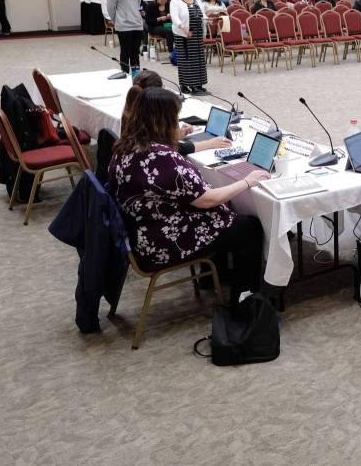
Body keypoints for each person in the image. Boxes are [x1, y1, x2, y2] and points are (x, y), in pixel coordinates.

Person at [107, 87, 269, 306]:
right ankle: (244, 304)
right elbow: (207, 199)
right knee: (249, 227)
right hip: (161, 243)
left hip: (142, 232)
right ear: (163, 121)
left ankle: (213, 277)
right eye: (174, 119)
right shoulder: (162, 158)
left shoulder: (125, 146)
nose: (176, 123)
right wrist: (247, 181)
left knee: (223, 212)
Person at [122, 70, 230, 154]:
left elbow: (159, 141)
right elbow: (172, 149)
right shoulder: (148, 122)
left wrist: (176, 135)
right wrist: (210, 143)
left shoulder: (133, 112)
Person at [170, 0, 209, 96]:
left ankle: (198, 85)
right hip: (183, 34)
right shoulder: (175, 1)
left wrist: (208, 20)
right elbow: (175, 17)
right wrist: (183, 27)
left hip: (197, 33)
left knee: (199, 60)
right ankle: (188, 85)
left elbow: (202, 14)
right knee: (186, 60)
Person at [105, 0, 145, 74]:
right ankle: (125, 74)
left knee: (135, 52)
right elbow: (110, 8)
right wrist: (117, 21)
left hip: (137, 25)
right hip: (123, 26)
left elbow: (137, 5)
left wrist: (136, 17)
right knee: (125, 52)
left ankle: (135, 76)